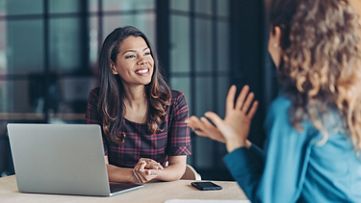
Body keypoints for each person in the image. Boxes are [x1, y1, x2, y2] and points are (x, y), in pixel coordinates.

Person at [187, 0, 361, 202]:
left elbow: (272, 199)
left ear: (277, 35)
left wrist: (236, 146)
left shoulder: (293, 109)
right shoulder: (345, 98)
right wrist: (239, 143)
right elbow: (293, 175)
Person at [86, 26, 191, 184]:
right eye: (131, 56)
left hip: (157, 189)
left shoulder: (175, 101)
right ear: (113, 66)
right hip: (115, 191)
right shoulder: (98, 100)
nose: (143, 61)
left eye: (147, 53)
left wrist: (153, 172)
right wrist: (133, 175)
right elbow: (99, 167)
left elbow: (178, 167)